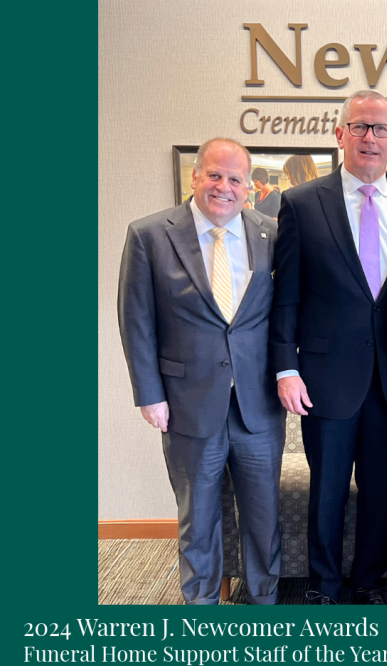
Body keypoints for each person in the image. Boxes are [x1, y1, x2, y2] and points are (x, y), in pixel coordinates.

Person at [271, 90, 387, 605]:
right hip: (326, 376)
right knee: (328, 488)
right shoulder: (302, 203)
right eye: (360, 126)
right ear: (340, 134)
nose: (370, 137)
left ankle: (368, 581)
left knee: (380, 489)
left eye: (381, 128)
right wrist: (285, 367)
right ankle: (323, 585)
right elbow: (286, 295)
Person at [118, 138, 285, 605]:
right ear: (195, 176)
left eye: (235, 179)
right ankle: (202, 612)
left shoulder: (271, 233)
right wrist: (149, 394)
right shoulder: (150, 234)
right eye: (214, 175)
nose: (223, 187)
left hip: (257, 405)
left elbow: (283, 314)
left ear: (249, 187)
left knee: (263, 518)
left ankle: (265, 604)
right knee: (199, 518)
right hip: (187, 404)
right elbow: (136, 320)